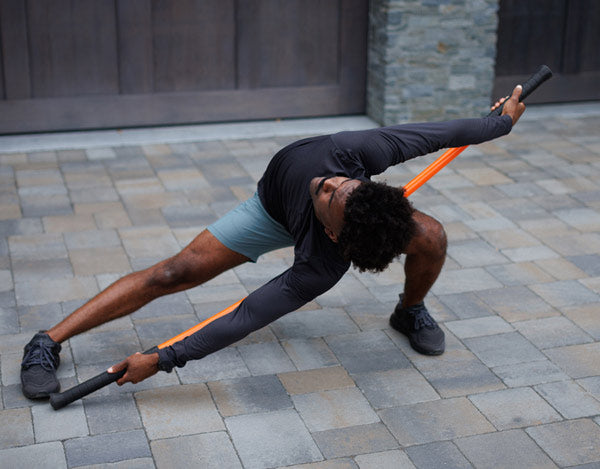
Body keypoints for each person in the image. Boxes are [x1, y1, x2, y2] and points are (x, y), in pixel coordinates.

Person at [20, 87, 525, 399]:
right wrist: (499, 123)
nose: (326, 183)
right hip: (271, 211)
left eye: (333, 195)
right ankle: (47, 342)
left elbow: (247, 314)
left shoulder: (322, 268)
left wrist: (163, 358)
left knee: (430, 234)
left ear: (335, 234)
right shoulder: (354, 153)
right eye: (341, 183)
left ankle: (409, 309)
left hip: (320, 235)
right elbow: (444, 133)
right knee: (174, 273)